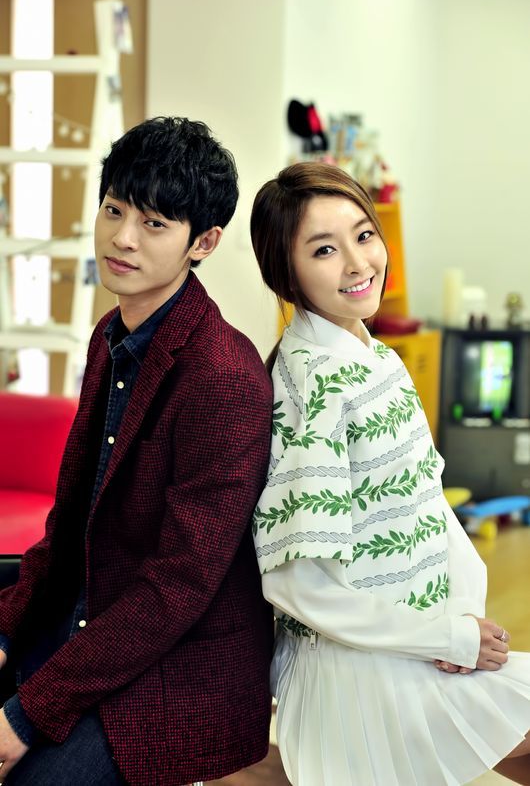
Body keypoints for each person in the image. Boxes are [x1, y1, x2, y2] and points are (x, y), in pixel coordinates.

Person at [0, 116, 274, 785]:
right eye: (115, 209)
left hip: (170, 667)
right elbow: (67, 529)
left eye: (154, 223)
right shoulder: (111, 337)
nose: (122, 238)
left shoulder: (224, 376)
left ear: (203, 242)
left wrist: (27, 714)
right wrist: (6, 630)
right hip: (88, 621)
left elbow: (177, 588)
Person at [249, 161, 530, 786]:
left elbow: (428, 504)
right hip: (359, 672)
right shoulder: (315, 385)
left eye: (364, 235)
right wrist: (445, 638)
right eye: (325, 249)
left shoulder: (376, 357)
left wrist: (461, 623)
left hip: (416, 644)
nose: (358, 263)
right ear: (285, 274)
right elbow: (297, 581)